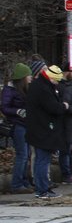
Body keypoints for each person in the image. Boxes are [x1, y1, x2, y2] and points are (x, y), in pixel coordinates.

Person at [26, 65, 69, 199]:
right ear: (51, 78)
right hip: (43, 130)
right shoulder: (44, 89)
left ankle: (43, 188)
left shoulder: (38, 85)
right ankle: (42, 189)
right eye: (56, 81)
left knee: (41, 160)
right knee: (42, 160)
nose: (57, 83)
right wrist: (64, 106)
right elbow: (53, 107)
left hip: (38, 129)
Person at [2, 63, 33, 193]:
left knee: (27, 154)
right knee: (22, 154)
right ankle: (17, 184)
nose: (31, 78)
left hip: (25, 124)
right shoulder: (10, 90)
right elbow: (4, 107)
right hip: (18, 125)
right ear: (23, 77)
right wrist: (17, 111)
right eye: (28, 75)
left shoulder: (24, 89)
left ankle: (24, 182)